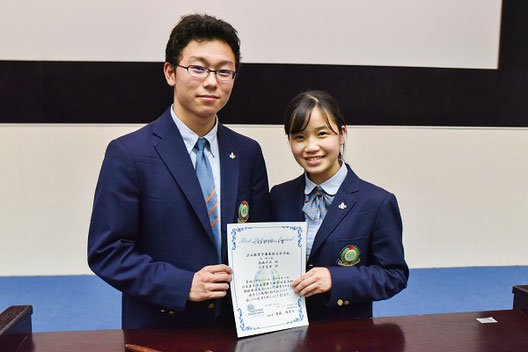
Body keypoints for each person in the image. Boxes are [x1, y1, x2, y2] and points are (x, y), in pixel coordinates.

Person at [88, 14, 271, 329]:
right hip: (160, 325)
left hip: (237, 324)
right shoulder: (129, 154)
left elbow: (260, 238)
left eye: (224, 71)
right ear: (170, 72)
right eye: (198, 68)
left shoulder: (247, 152)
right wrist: (182, 285)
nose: (212, 81)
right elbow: (107, 252)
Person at [270, 90, 408, 320]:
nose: (311, 147)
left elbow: (394, 275)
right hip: (284, 327)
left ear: (342, 134)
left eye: (322, 134)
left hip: (345, 332)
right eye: (300, 137)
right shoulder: (278, 196)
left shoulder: (376, 202)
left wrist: (335, 279)